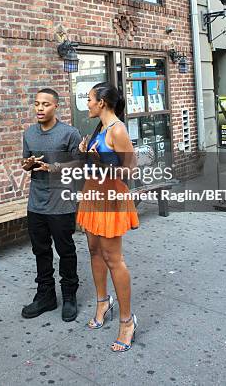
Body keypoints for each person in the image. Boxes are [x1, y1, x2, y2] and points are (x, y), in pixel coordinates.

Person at [77, 82, 139, 352]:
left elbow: (131, 171)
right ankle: (103, 301)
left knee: (114, 260)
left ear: (102, 102)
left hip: (111, 200)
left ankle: (127, 322)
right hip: (92, 197)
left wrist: (101, 163)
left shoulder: (118, 130)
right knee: (93, 251)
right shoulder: (98, 129)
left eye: (89, 99)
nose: (87, 103)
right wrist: (85, 157)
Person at [21, 88, 81, 322]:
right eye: (36, 104)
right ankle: (45, 295)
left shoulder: (70, 133)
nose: (39, 108)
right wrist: (28, 164)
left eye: (45, 104)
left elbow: (80, 163)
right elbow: (26, 164)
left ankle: (69, 296)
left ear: (56, 106)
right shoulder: (29, 134)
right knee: (41, 250)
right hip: (36, 202)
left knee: (65, 250)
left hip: (61, 202)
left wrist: (55, 168)